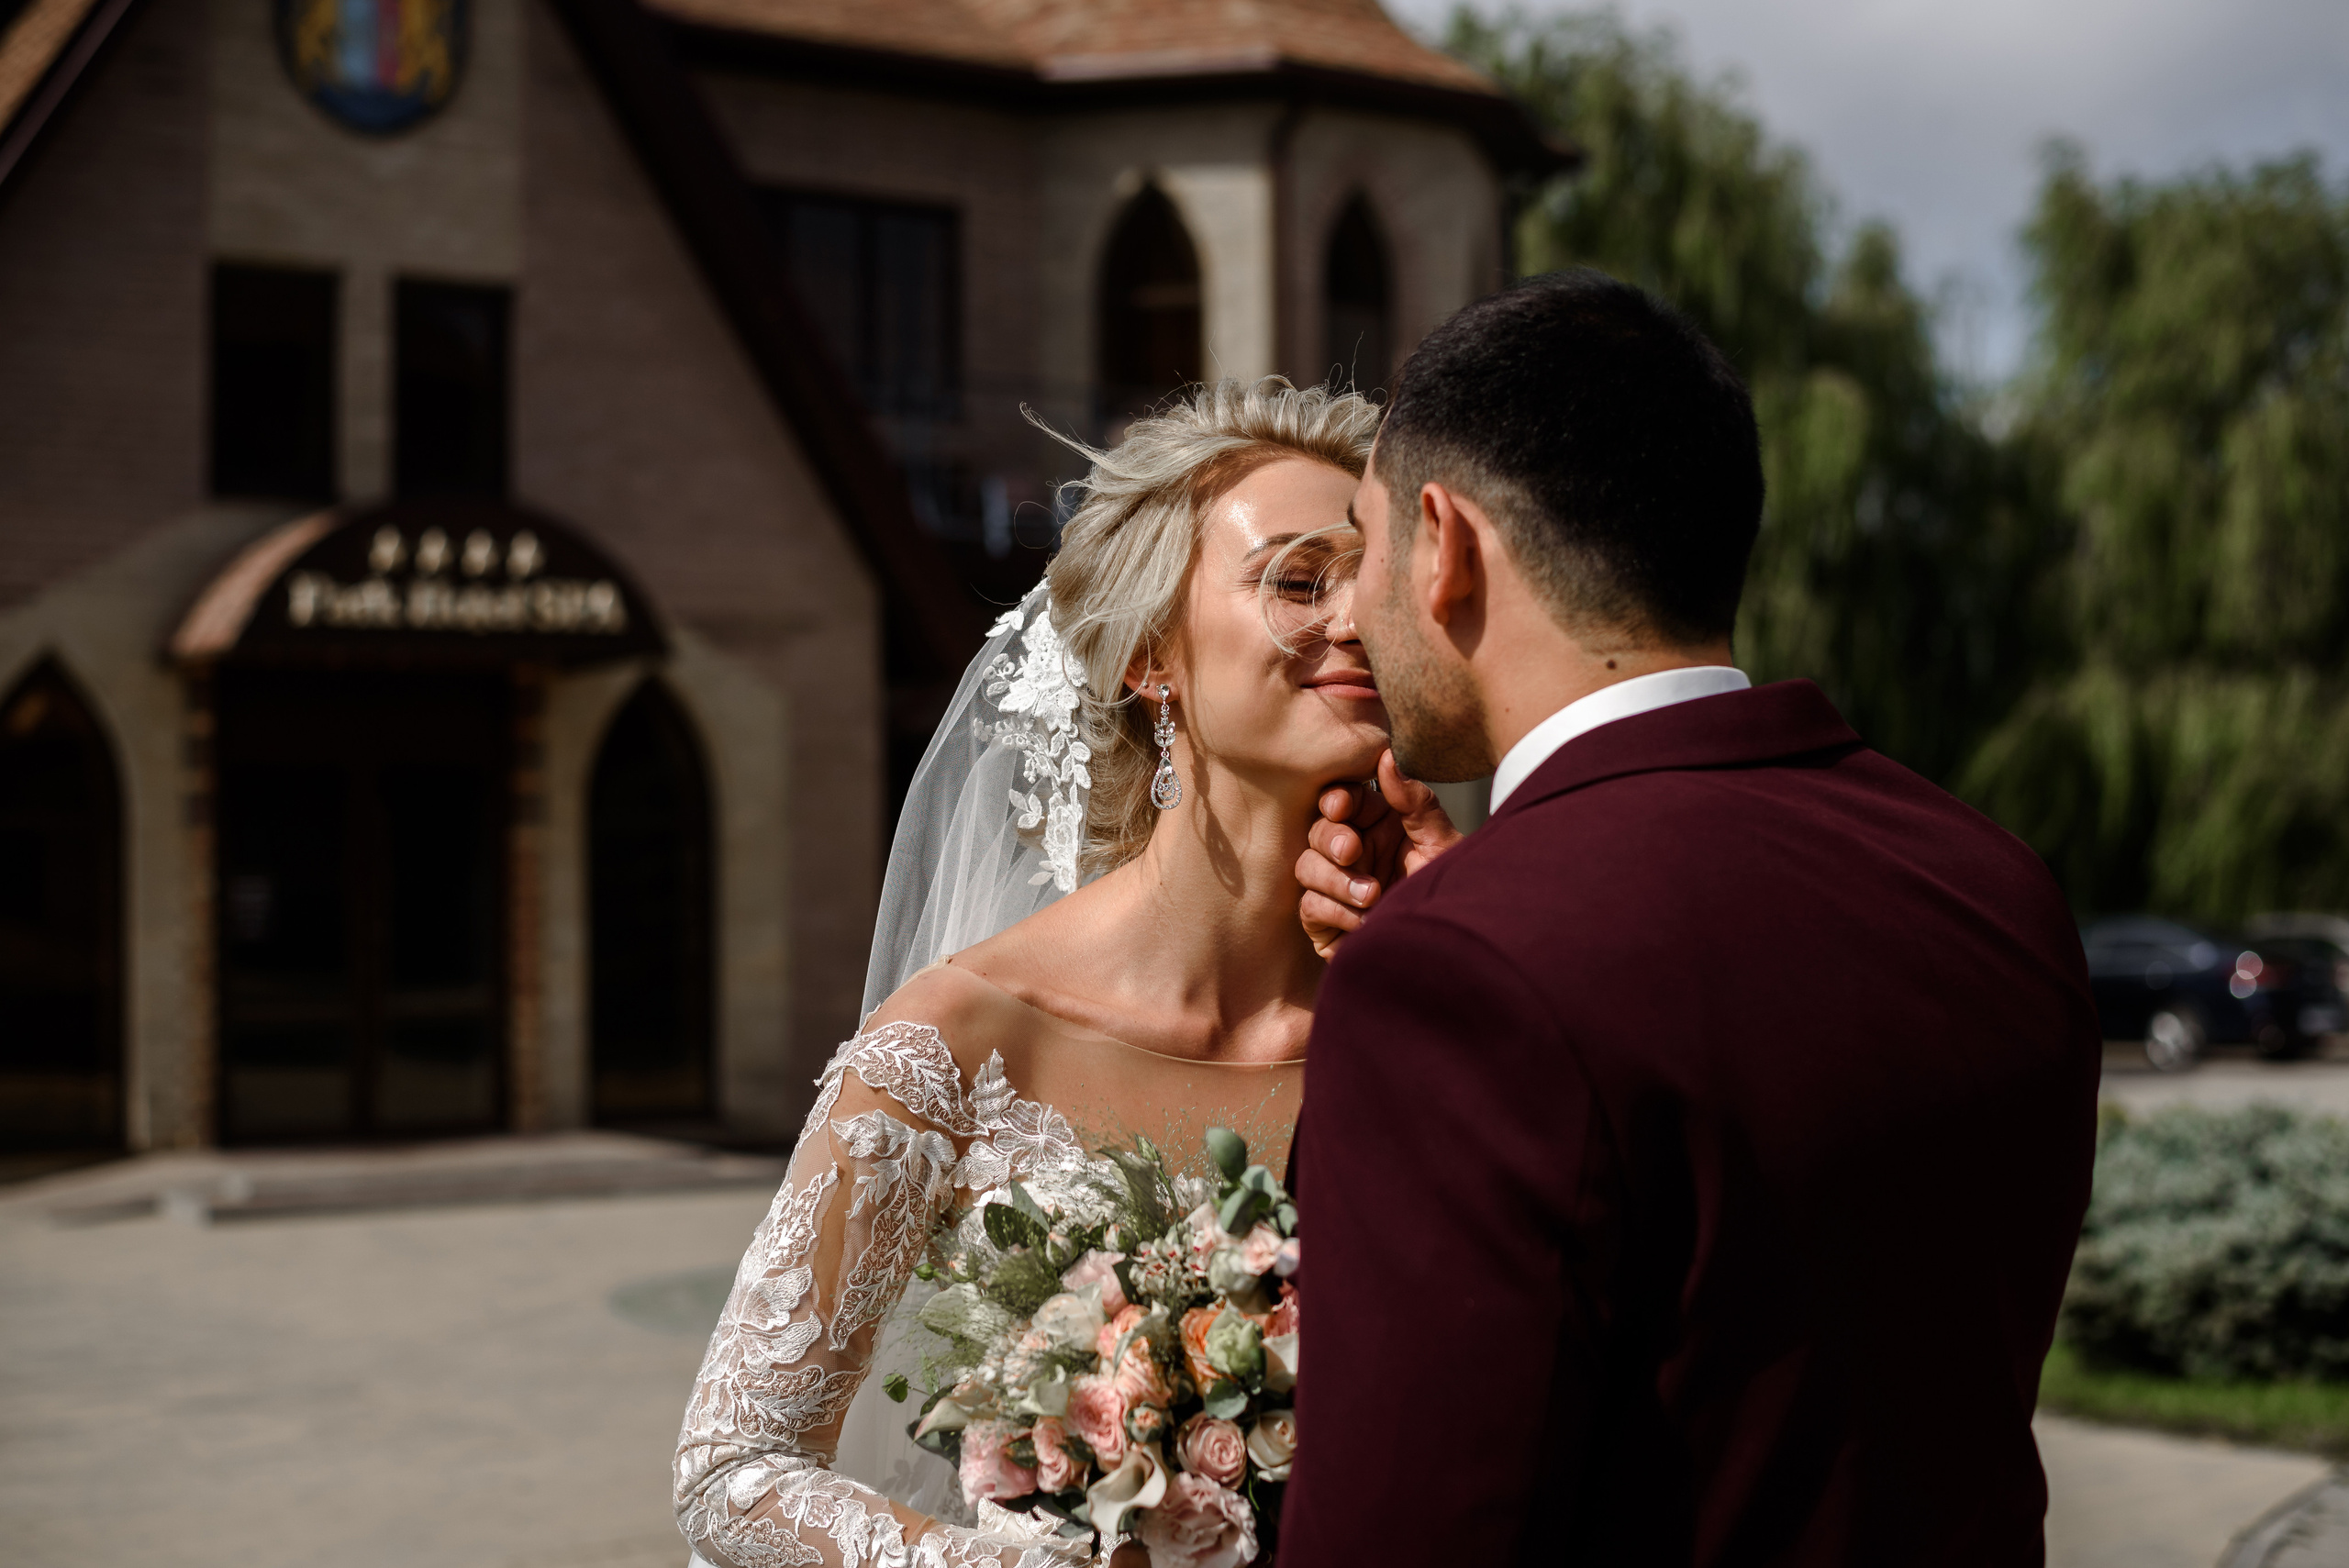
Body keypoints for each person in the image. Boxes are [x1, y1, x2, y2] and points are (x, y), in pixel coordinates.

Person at [1278, 272, 2103, 1564]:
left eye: (1365, 537)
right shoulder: (1990, 881)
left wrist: (1471, 944)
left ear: (1445, 545)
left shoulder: (1454, 979)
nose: (1350, 606)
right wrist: (1481, 916)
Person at [672, 379, 1408, 1568]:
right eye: (1299, 578)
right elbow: (732, 1470)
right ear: (1150, 654)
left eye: (1380, 583)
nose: (1358, 622)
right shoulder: (957, 1037)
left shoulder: (1423, 1031)